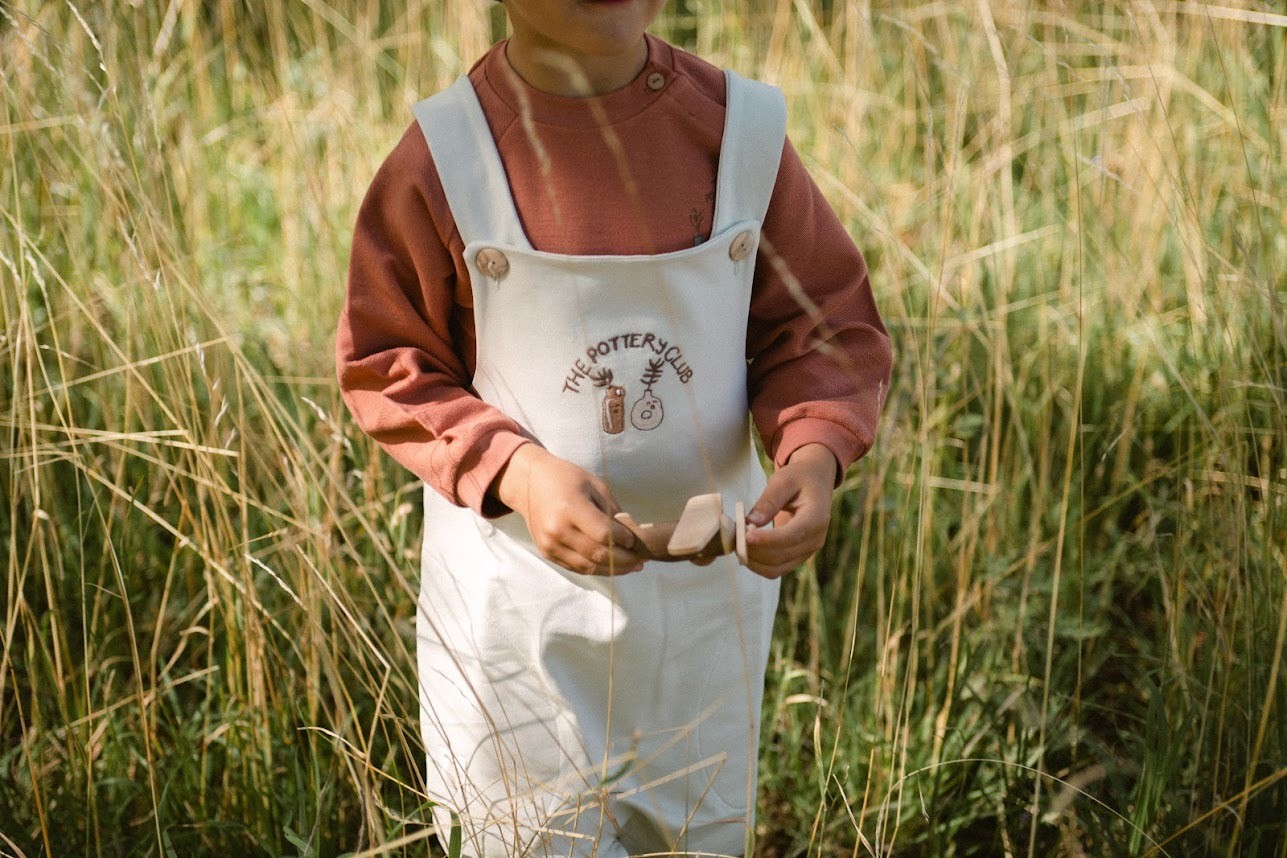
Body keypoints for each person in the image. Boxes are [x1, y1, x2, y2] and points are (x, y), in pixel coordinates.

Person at [336, 1, 891, 854]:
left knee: (694, 829)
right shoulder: (449, 156)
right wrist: (516, 470)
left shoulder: (741, 137)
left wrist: (814, 451)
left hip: (703, 620)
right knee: (524, 836)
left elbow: (819, 327)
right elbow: (388, 359)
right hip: (518, 621)